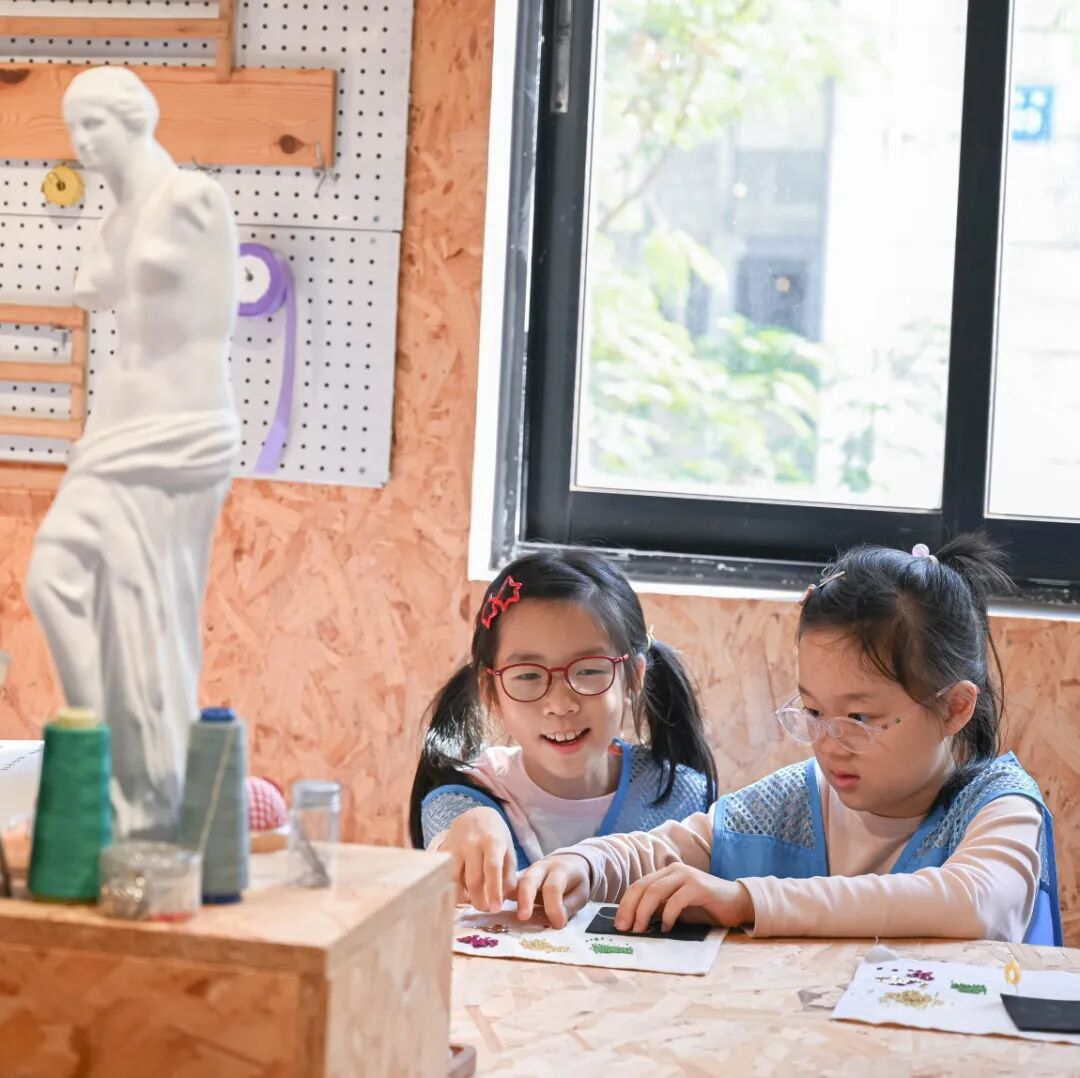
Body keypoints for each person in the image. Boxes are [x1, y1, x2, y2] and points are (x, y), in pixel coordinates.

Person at [516, 535, 1062, 946]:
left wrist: (747, 901)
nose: (829, 743)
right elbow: (668, 849)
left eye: (860, 717)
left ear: (954, 707)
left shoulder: (1000, 806)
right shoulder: (797, 799)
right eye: (814, 712)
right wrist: (585, 864)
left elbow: (971, 902)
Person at [26, 67, 241, 838]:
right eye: (73, 126)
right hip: (114, 435)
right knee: (53, 579)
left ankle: (150, 798)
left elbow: (210, 323)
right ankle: (112, 757)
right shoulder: (115, 223)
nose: (82, 141)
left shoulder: (192, 199)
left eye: (96, 123)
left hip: (180, 431)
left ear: (137, 119)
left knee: (155, 615)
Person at [409, 549, 717, 912]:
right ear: (491, 692)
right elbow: (448, 842)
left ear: (633, 677)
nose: (559, 704)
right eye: (528, 675)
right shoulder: (464, 799)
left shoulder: (682, 796)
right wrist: (469, 824)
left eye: (588, 670)